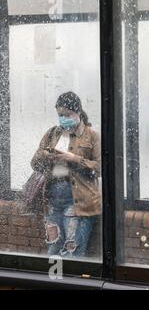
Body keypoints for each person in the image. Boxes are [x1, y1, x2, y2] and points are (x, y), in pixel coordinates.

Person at [31, 92, 101, 257]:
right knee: (53, 250)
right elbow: (34, 163)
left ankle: (72, 282)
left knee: (72, 252)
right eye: (60, 115)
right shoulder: (53, 133)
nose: (63, 118)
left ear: (78, 112)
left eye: (67, 114)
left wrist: (74, 158)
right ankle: (55, 282)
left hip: (77, 199)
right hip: (53, 198)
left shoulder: (92, 136)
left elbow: (99, 168)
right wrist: (45, 156)